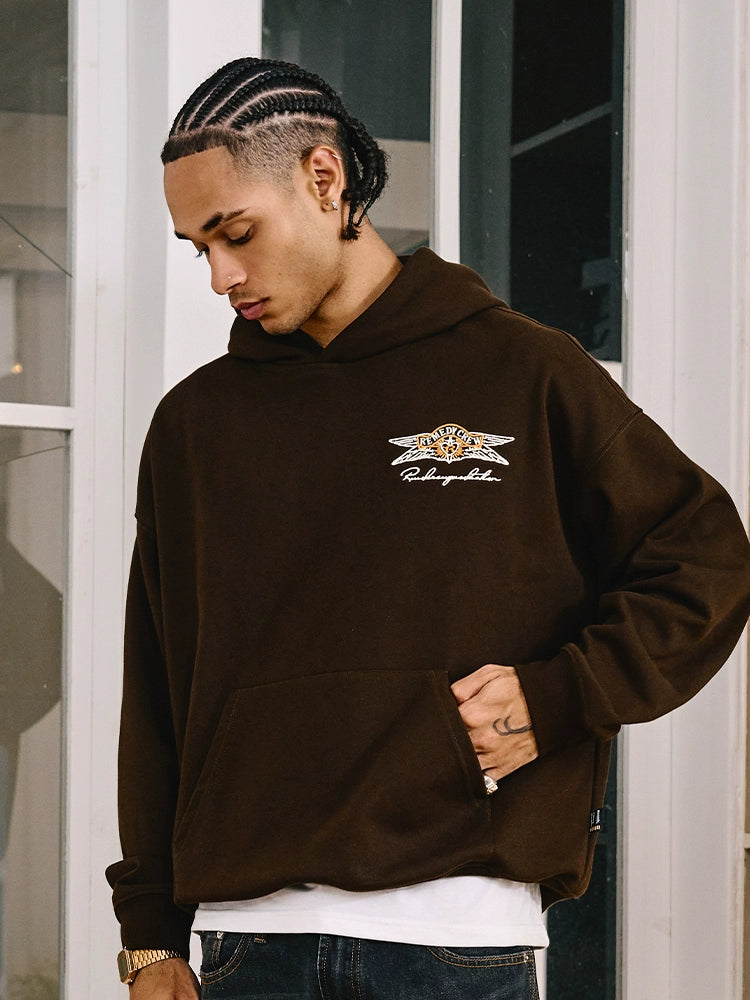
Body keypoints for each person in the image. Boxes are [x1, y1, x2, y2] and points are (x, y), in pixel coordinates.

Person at [106, 57, 750, 999]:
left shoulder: (524, 374)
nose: (221, 275)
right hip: (247, 947)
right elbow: (156, 688)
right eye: (198, 248)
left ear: (324, 178)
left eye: (236, 233)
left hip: (459, 942)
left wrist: (561, 695)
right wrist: (149, 934)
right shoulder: (195, 426)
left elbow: (706, 560)